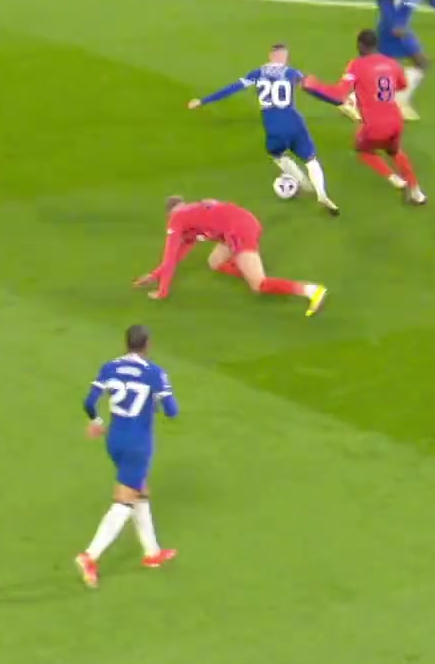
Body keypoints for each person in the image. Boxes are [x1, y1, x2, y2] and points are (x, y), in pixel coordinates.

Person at [74, 323, 178, 588]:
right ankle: (90, 556)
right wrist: (156, 401)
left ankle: (152, 552)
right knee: (124, 501)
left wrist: (97, 421)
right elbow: (172, 411)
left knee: (140, 490)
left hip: (115, 440)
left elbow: (89, 402)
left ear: (126, 343)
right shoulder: (154, 373)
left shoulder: (109, 367)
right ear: (148, 344)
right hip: (137, 444)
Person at [187, 43, 339, 212]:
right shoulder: (292, 72)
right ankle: (321, 193)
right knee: (310, 159)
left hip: (273, 126)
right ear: (285, 58)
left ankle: (303, 182)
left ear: (270, 56)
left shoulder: (257, 73)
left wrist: (203, 101)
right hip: (294, 122)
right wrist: (338, 102)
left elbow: (232, 88)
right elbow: (313, 89)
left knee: (276, 154)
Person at [133, 196, 327, 313]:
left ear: (170, 213)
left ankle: (310, 291)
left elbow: (170, 256)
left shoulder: (177, 219)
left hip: (238, 232)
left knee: (258, 285)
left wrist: (163, 291)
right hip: (246, 222)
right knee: (215, 262)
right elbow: (180, 253)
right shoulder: (194, 212)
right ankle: (248, 268)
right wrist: (155, 275)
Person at [305, 30, 427, 204]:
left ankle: (395, 179)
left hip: (374, 124)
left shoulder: (356, 65)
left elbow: (340, 93)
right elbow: (402, 85)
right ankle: (417, 192)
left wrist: (314, 85)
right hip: (395, 121)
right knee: (394, 151)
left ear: (360, 45)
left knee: (363, 151)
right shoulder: (391, 63)